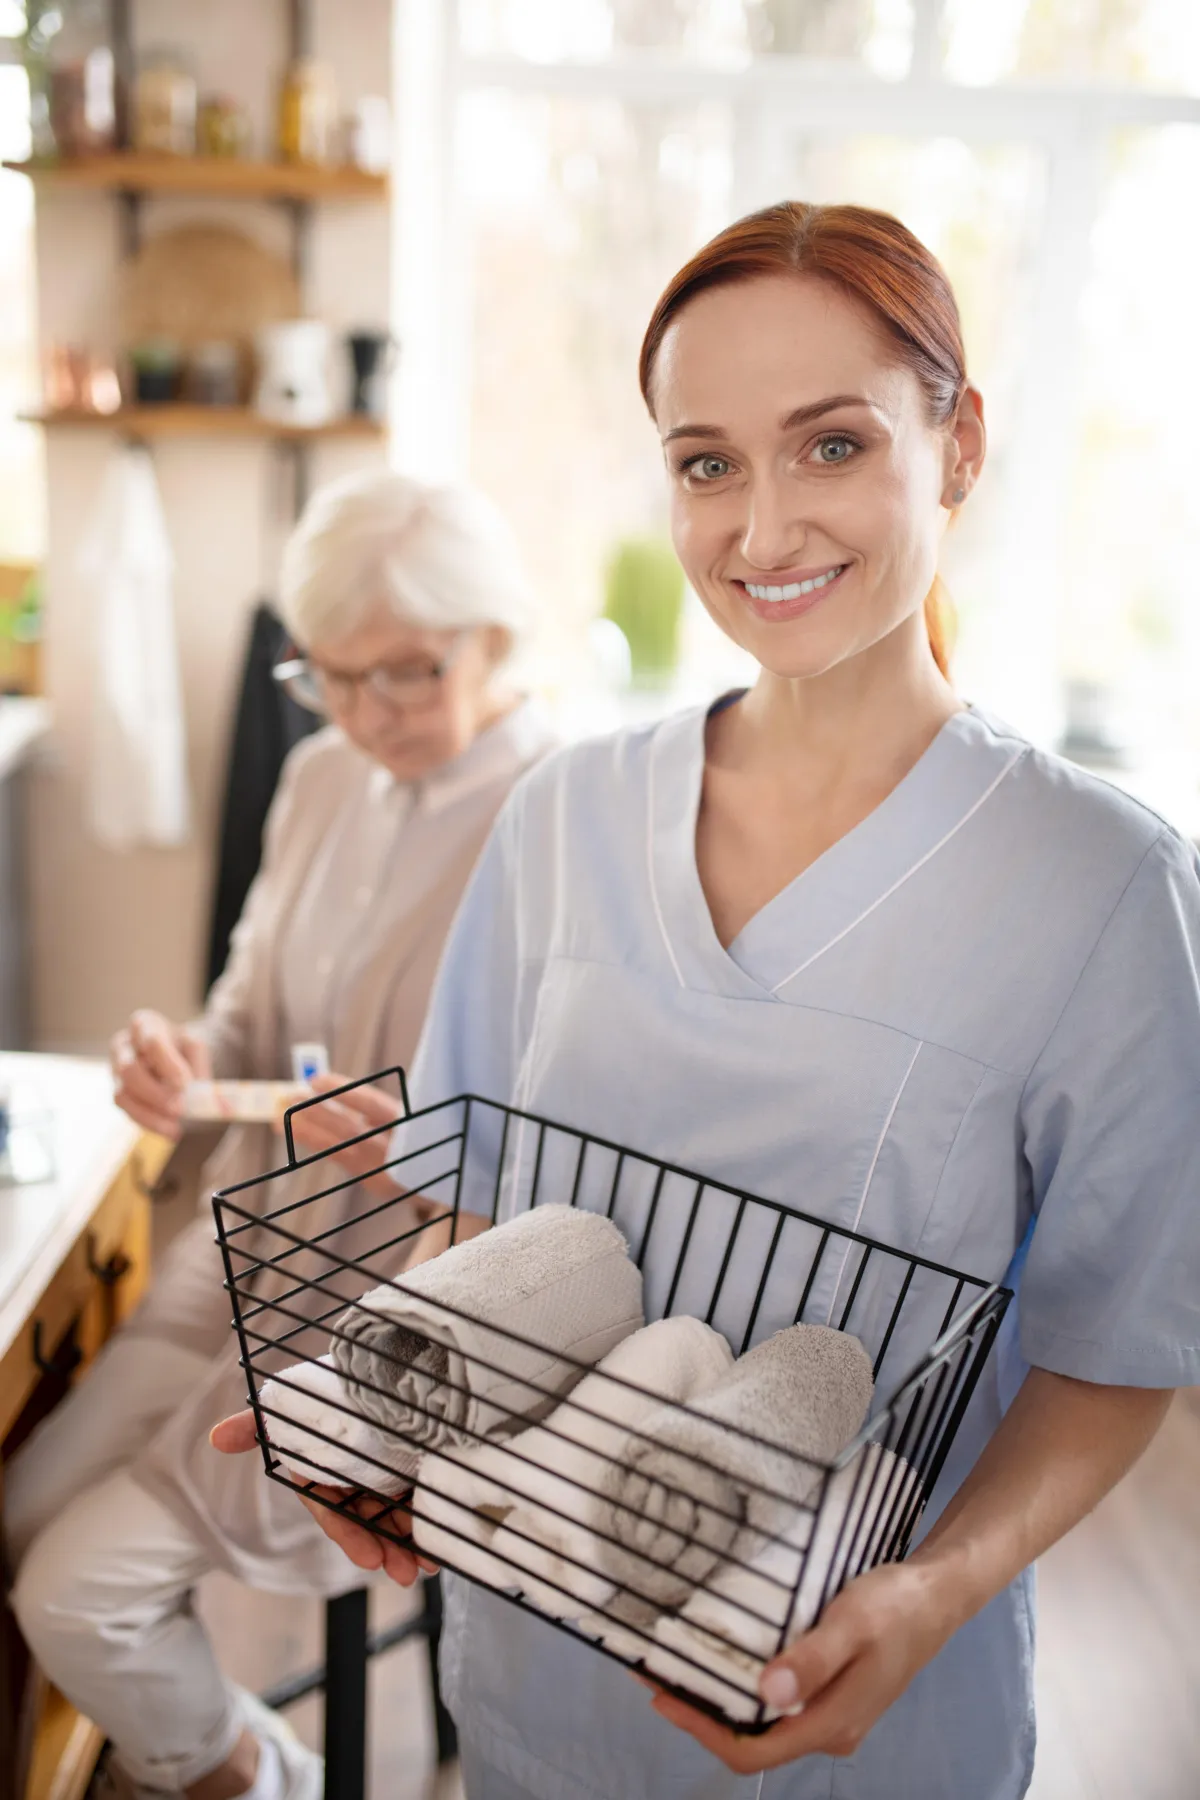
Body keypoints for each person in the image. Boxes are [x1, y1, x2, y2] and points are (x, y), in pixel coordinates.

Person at [215, 203, 1200, 1800]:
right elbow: (473, 1215)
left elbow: (1116, 1348)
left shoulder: (1102, 887)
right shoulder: (565, 818)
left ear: (956, 447)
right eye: (706, 463)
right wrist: (390, 1426)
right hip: (532, 1670)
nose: (763, 532)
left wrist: (930, 1593)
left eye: (830, 445)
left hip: (856, 1712)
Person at [6, 468, 556, 1800]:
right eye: (334, 677)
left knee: (73, 1594)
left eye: (411, 675)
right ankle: (171, 1730)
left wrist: (426, 1155)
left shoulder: (557, 818)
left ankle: (254, 1774)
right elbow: (247, 1025)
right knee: (18, 1514)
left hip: (395, 1307)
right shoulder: (319, 780)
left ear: (500, 638)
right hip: (240, 1244)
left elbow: (566, 1146)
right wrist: (184, 1066)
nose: (370, 717)